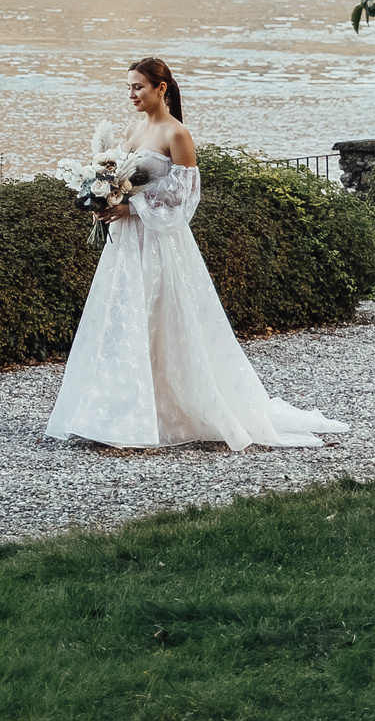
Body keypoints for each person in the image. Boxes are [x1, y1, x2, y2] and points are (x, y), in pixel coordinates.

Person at [45, 56, 349, 451]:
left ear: (161, 89)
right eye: (128, 87)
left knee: (160, 318)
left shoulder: (177, 135)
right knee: (123, 321)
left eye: (138, 87)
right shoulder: (133, 128)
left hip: (159, 245)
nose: (132, 94)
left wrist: (131, 207)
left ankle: (170, 413)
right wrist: (106, 201)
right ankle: (119, 414)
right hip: (125, 246)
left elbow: (183, 197)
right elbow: (118, 176)